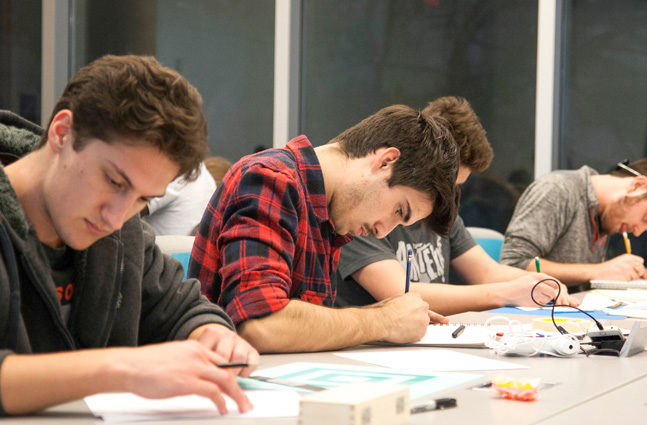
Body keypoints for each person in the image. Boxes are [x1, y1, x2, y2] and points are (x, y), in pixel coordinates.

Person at [0, 55, 258, 416]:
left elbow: (181, 308)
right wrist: (123, 369)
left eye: (142, 198)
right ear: (62, 133)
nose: (117, 217)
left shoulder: (124, 235)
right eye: (113, 181)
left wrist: (213, 335)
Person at [189, 104, 460, 353]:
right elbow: (261, 325)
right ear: (386, 161)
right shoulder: (271, 179)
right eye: (399, 210)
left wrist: (391, 313)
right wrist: (384, 320)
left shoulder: (331, 213)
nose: (382, 231)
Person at [334, 96, 573, 315]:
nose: (445, 198)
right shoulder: (366, 214)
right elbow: (398, 292)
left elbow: (487, 273)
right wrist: (505, 293)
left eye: (455, 187)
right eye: (443, 186)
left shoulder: (442, 215)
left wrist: (540, 283)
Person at [500, 158, 647, 286]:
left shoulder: (606, 217)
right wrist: (599, 271)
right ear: (637, 185)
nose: (637, 232)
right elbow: (512, 264)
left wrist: (624, 274)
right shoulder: (558, 190)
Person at [141, 163, 217, 235]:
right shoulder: (208, 179)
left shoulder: (178, 176)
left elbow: (132, 209)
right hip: (183, 245)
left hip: (162, 246)